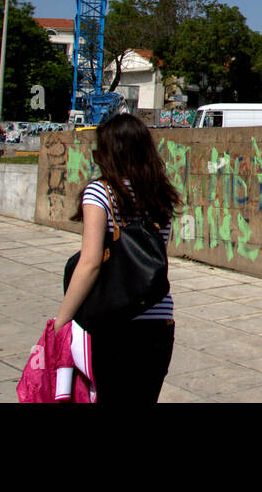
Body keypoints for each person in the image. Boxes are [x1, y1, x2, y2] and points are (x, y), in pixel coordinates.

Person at [55, 113, 180, 403]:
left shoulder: (100, 192)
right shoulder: (162, 195)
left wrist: (61, 321)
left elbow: (91, 263)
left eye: (99, 151)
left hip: (113, 325)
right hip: (158, 322)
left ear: (109, 154)